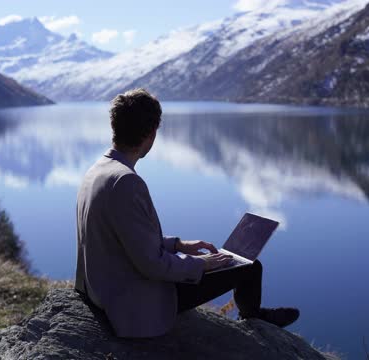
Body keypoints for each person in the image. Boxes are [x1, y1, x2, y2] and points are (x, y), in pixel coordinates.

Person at [74, 88, 299, 338]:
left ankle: (253, 315)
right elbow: (151, 266)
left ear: (115, 125)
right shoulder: (126, 182)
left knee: (232, 263)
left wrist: (178, 245)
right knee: (249, 267)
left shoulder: (99, 169)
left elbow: (123, 239)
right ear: (151, 133)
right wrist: (201, 264)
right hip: (132, 299)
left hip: (105, 287)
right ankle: (253, 318)